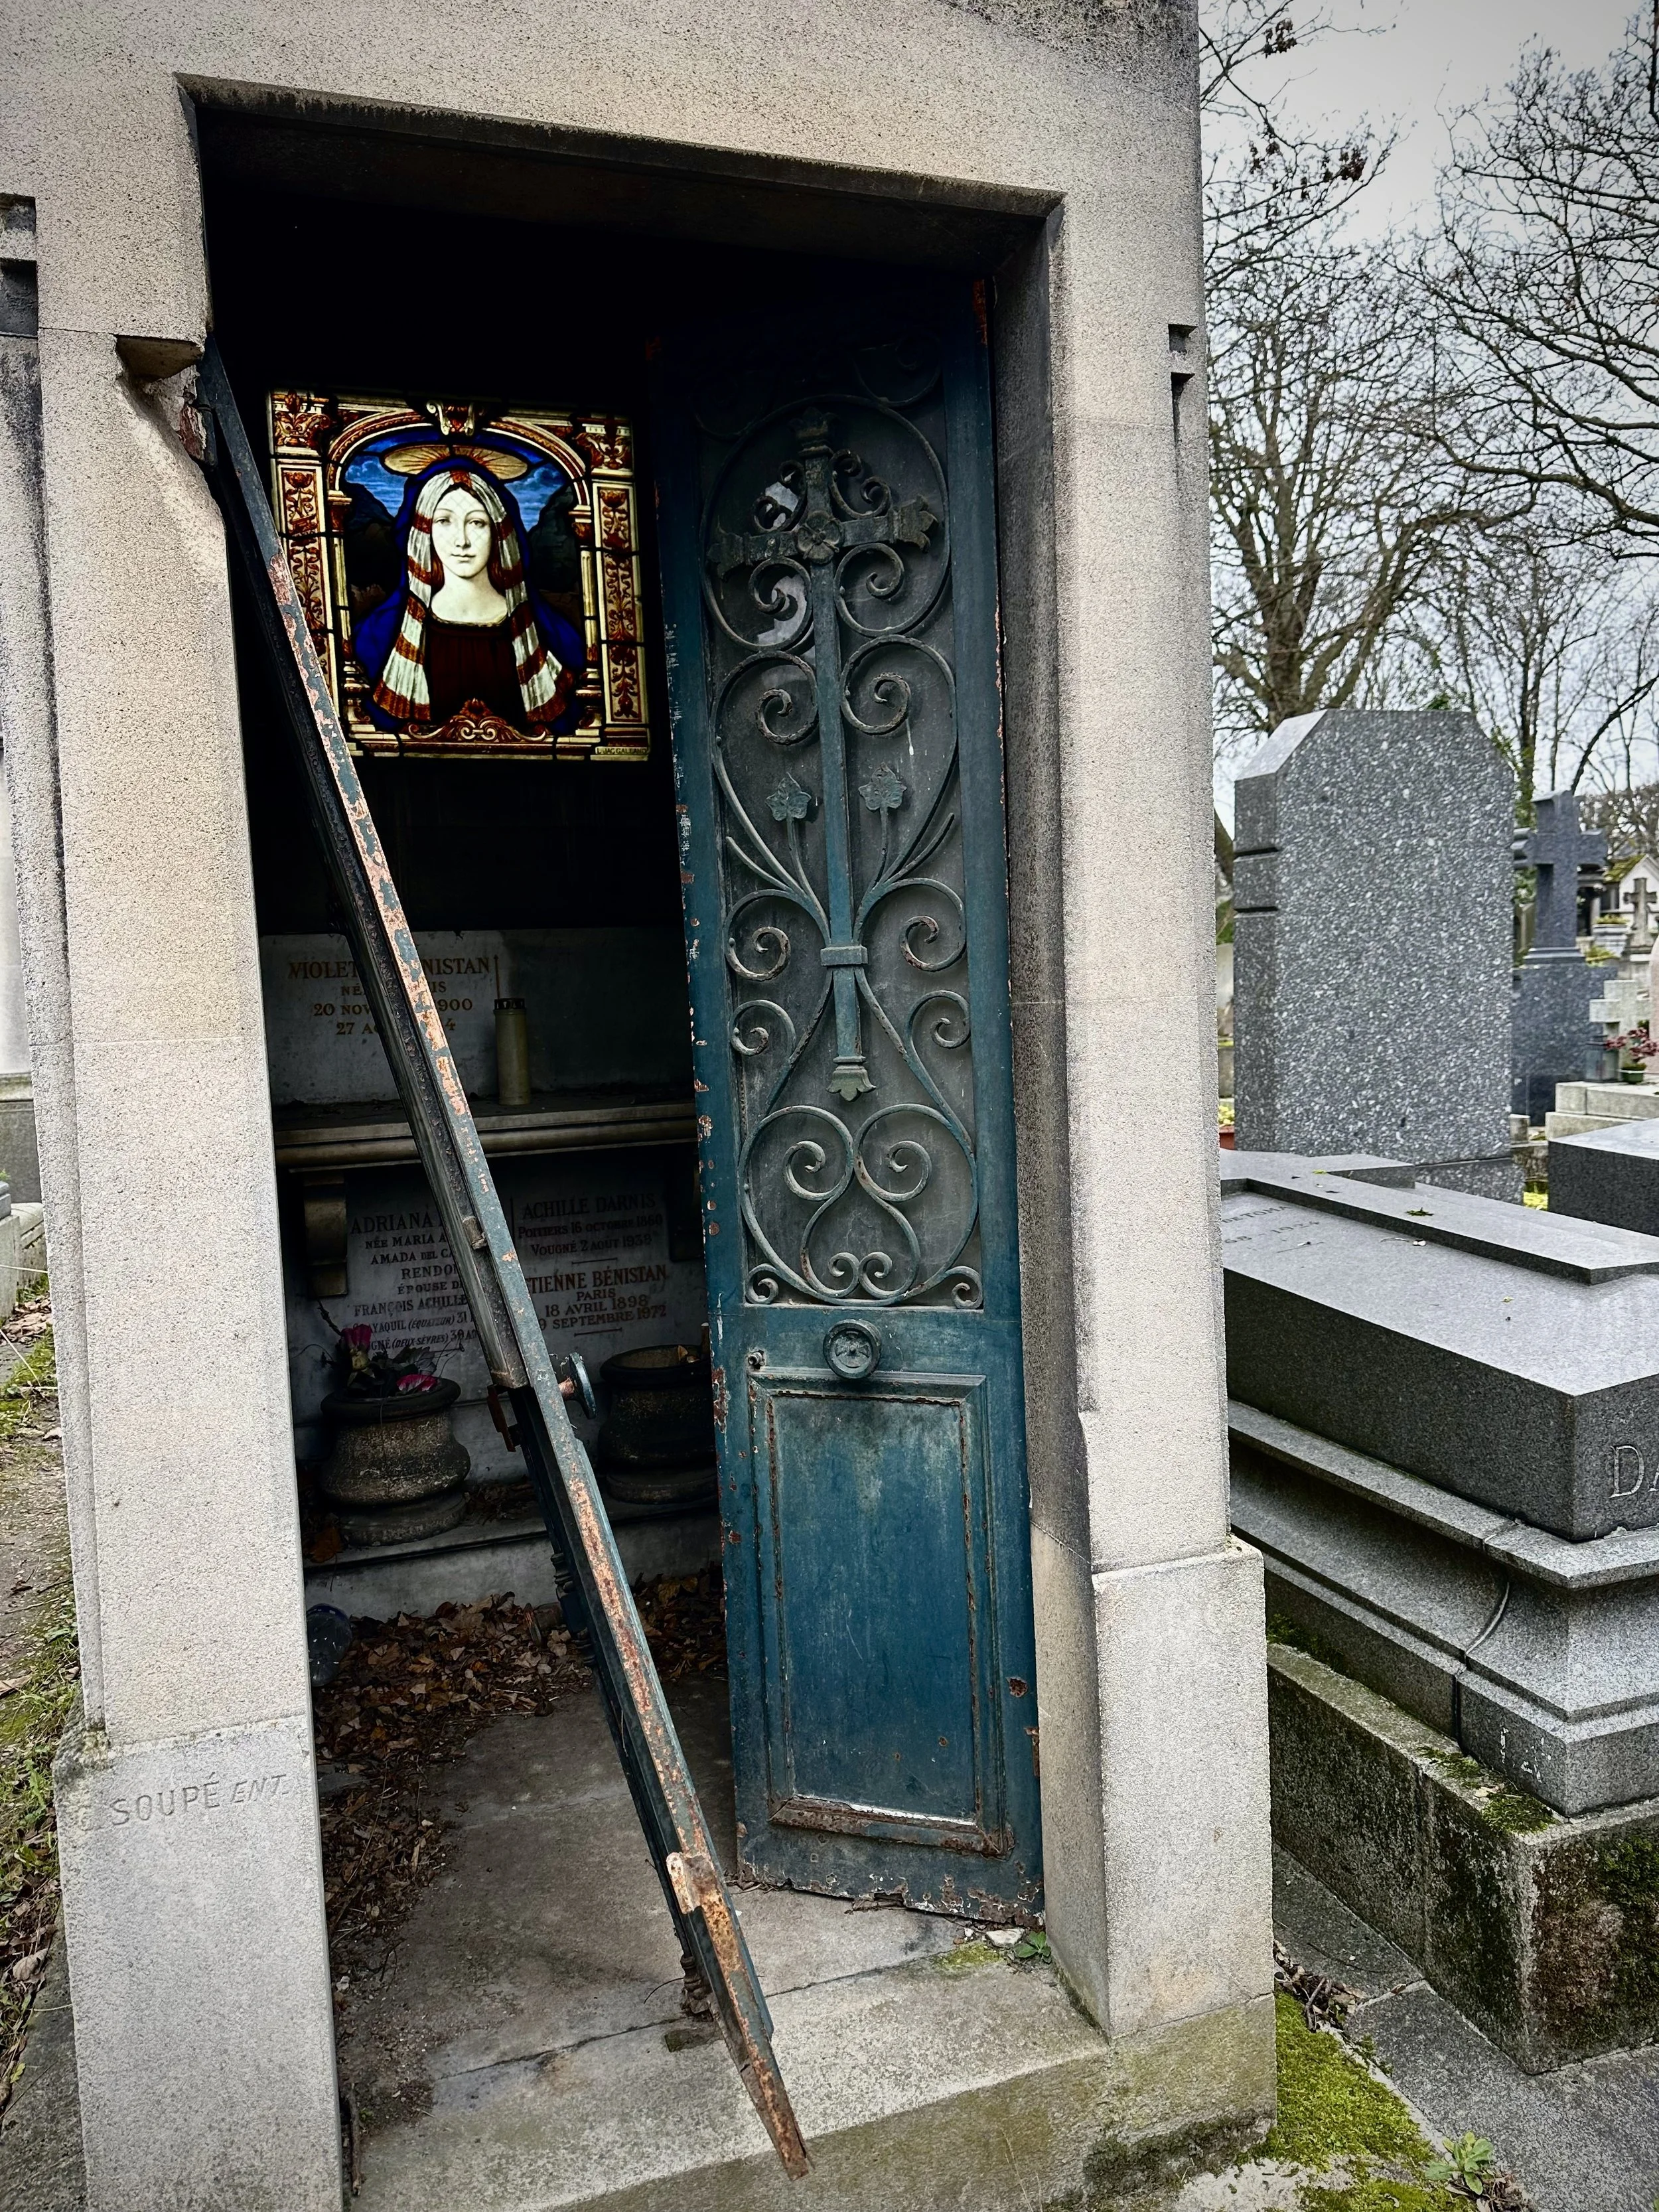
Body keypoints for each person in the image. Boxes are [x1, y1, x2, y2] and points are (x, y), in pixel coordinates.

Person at [352, 457, 584, 735]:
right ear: (424, 531)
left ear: (500, 532)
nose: (462, 541)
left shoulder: (556, 639)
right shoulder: (376, 637)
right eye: (444, 521)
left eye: (477, 523)